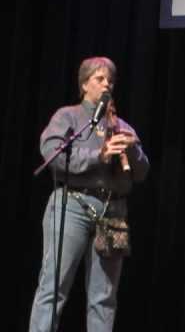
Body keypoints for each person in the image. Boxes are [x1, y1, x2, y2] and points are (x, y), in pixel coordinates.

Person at [29, 56, 150, 332]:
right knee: (53, 287)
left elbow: (142, 172)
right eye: (99, 79)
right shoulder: (68, 117)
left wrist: (131, 150)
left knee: (103, 298)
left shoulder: (123, 127)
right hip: (72, 206)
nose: (107, 84)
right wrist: (100, 154)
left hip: (112, 213)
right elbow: (53, 156)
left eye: (110, 80)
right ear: (84, 84)